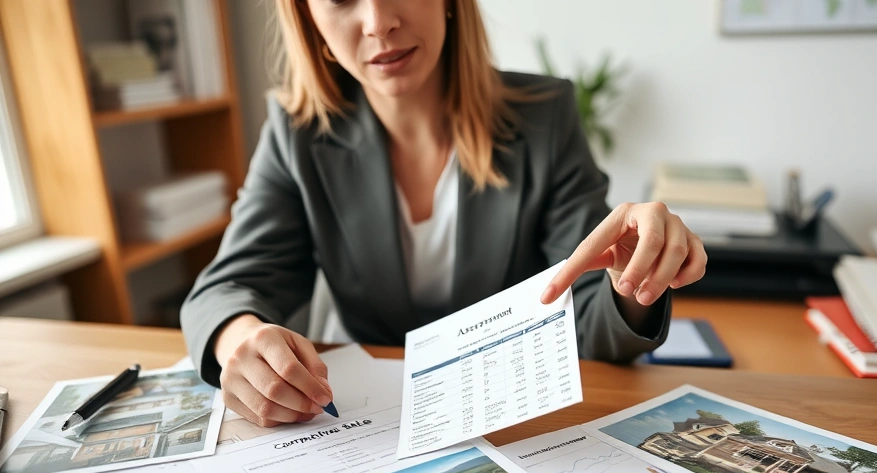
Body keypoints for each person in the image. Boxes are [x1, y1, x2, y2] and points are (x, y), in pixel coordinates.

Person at [181, 0, 706, 428]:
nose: (378, 22)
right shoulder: (298, 132)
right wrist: (239, 339)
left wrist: (630, 279)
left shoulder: (545, 116)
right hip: (363, 424)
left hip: (510, 421)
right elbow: (224, 291)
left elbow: (592, 322)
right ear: (310, 21)